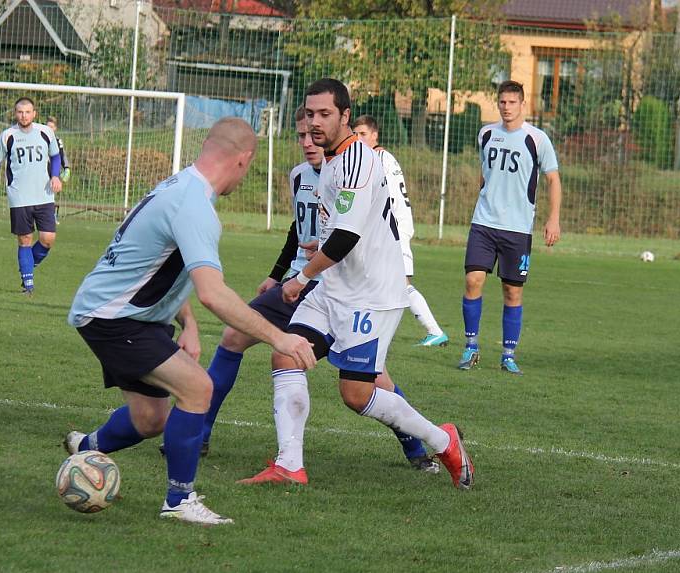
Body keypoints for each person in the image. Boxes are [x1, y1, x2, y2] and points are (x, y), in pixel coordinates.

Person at [63, 117, 317, 526]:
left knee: (152, 419)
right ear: (243, 159)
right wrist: (280, 338)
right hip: (115, 318)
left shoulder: (180, 187)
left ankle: (86, 446)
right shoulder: (194, 205)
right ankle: (179, 501)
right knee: (199, 387)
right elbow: (212, 292)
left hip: (127, 315)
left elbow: (157, 264)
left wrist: (189, 324)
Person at [240, 79, 474, 490]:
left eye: (324, 114)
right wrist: (318, 244)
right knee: (286, 356)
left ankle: (443, 439)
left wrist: (299, 278)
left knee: (356, 394)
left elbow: (347, 239)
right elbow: (346, 229)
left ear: (345, 116)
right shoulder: (331, 160)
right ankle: (289, 465)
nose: (314, 122)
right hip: (335, 287)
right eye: (310, 114)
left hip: (372, 295)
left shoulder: (356, 160)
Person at [197, 105, 439, 477]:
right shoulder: (300, 176)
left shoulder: (355, 168)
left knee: (372, 380)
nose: (308, 142)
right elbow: (299, 228)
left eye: (313, 135)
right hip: (298, 282)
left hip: (338, 287)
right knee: (233, 337)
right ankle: (201, 434)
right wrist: (277, 274)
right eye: (301, 136)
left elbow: (357, 232)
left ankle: (418, 448)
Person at [457, 80, 562, 375]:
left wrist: (553, 218)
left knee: (512, 292)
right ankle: (471, 346)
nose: (506, 107)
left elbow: (553, 180)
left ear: (523, 105)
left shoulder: (537, 139)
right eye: (502, 102)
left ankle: (508, 354)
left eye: (512, 102)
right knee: (473, 281)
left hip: (517, 228)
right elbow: (484, 173)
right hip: (484, 223)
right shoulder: (486, 134)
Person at [352, 115, 448, 347]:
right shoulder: (383, 157)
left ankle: (435, 332)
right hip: (390, 228)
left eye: (362, 134)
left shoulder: (377, 159)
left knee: (400, 285)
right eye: (354, 134)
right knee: (376, 281)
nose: (357, 139)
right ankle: (366, 329)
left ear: (375, 135)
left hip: (392, 229)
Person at [0, 97, 62, 294]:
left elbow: (55, 156)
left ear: (34, 113)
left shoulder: (45, 132)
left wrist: (55, 176)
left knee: (48, 238)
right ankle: (28, 285)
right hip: (19, 196)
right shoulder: (7, 135)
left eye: (27, 112)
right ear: (15, 113)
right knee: (25, 239)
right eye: (20, 112)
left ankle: (27, 266)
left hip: (44, 194)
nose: (24, 115)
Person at [45, 116, 70, 224]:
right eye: (48, 126)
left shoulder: (58, 141)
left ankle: (51, 216)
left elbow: (62, 155)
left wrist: (66, 168)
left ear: (55, 129)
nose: (49, 128)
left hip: (52, 171)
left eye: (52, 126)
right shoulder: (39, 138)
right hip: (39, 170)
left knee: (50, 194)